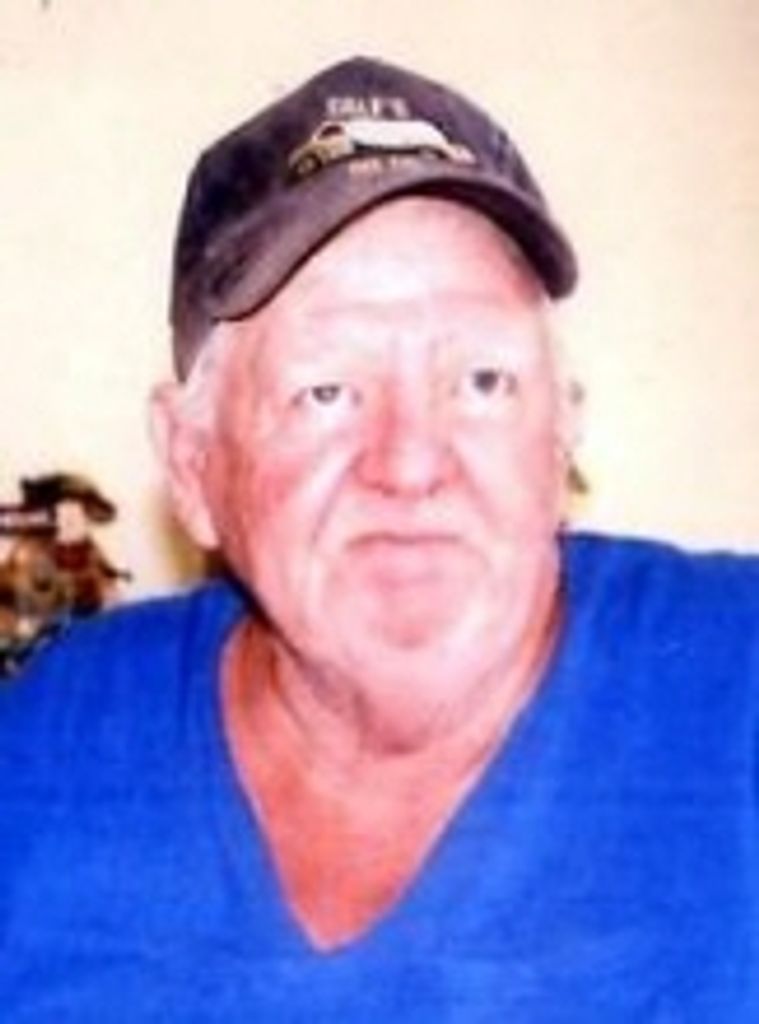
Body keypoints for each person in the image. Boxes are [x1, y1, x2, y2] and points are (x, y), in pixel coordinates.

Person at [1, 56, 758, 1022]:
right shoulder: (56, 744)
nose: (410, 464)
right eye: (327, 392)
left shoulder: (734, 685)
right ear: (192, 464)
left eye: (480, 382)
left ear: (561, 427)